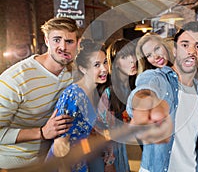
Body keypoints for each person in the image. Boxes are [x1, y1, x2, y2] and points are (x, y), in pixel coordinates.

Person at [126, 21, 198, 172]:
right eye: (185, 45)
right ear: (175, 50)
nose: (191, 51)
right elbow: (145, 87)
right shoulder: (157, 77)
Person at [0, 17, 80, 169]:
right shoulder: (15, 79)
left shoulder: (73, 72)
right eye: (57, 40)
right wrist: (42, 133)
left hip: (51, 158)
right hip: (14, 163)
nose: (63, 47)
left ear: (77, 43)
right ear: (47, 40)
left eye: (69, 41)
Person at [45, 39, 109, 172]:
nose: (104, 69)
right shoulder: (73, 95)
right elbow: (60, 144)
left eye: (105, 62)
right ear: (83, 69)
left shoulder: (94, 91)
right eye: (96, 65)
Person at [93, 38, 137, 172]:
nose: (132, 60)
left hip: (128, 150)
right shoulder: (108, 92)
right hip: (109, 154)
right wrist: (109, 162)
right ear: (116, 63)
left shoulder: (135, 85)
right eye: (124, 56)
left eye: (133, 54)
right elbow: (103, 131)